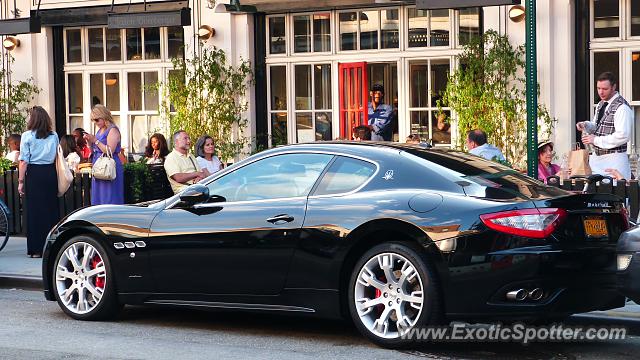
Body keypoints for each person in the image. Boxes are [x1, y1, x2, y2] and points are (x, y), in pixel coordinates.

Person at [17, 106, 60, 258]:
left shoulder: (27, 136)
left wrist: (21, 181)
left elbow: (23, 161)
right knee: (50, 210)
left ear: (33, 119)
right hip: (50, 173)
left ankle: (36, 249)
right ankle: (52, 247)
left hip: (34, 174)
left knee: (35, 211)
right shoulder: (53, 135)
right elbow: (56, 156)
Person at [577, 71, 632, 180]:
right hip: (596, 160)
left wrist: (595, 140)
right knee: (595, 195)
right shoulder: (601, 104)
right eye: (598, 88)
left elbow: (623, 136)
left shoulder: (622, 107)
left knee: (615, 194)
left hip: (614, 161)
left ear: (613, 87)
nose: (601, 92)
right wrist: (586, 125)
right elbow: (598, 126)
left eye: (605, 89)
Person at [83, 104, 124, 205]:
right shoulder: (100, 130)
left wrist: (95, 141)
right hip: (99, 166)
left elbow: (110, 150)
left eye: (97, 120)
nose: (95, 123)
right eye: (93, 120)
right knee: (99, 198)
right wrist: (89, 142)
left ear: (104, 116)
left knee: (110, 197)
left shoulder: (113, 129)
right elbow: (94, 150)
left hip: (109, 166)